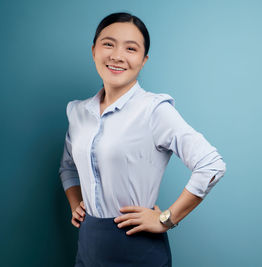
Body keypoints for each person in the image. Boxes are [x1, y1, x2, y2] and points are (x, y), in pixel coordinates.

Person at [58, 12, 227, 266]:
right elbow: (68, 168)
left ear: (143, 59)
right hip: (88, 246)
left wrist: (167, 219)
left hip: (136, 248)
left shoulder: (154, 110)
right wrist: (76, 204)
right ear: (94, 50)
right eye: (108, 44)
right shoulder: (78, 112)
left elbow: (211, 165)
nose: (117, 56)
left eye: (131, 48)